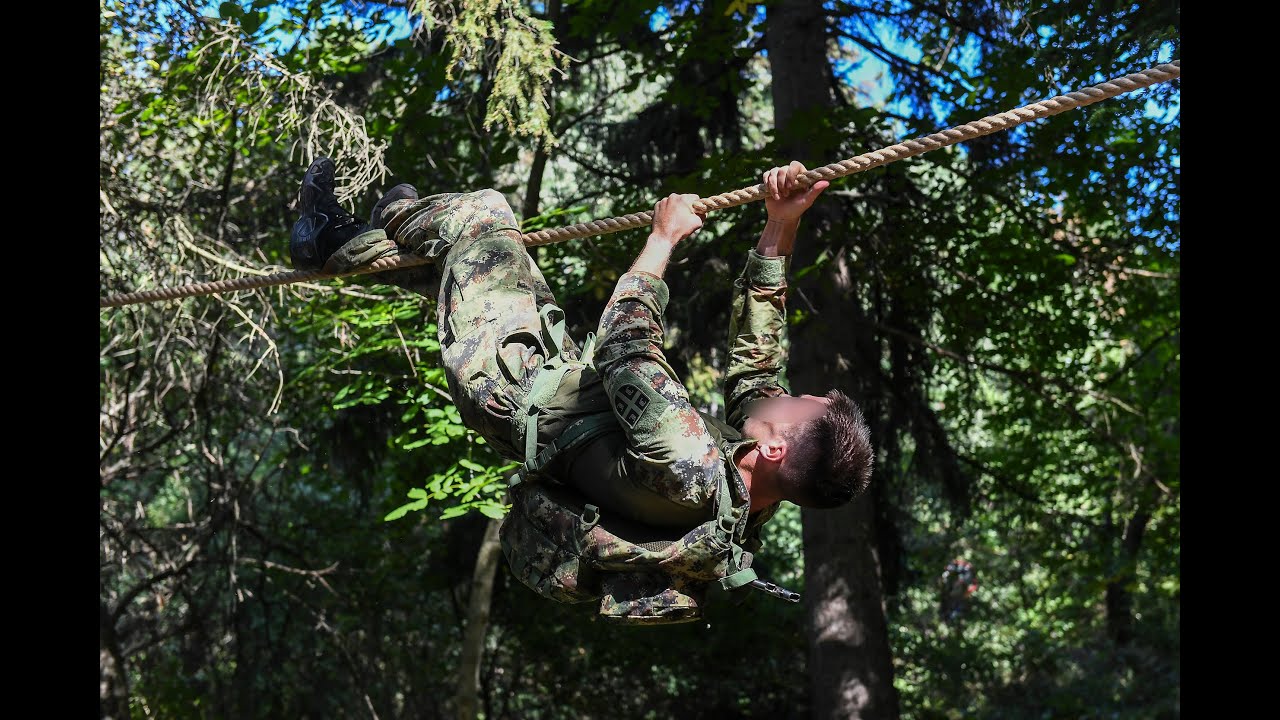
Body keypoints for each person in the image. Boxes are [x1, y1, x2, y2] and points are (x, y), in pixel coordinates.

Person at [290, 157, 874, 617]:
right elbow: (757, 367)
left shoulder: (692, 461)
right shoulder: (746, 497)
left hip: (509, 380)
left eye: (798, 401)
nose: (788, 391)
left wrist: (663, 239)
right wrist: (781, 225)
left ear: (777, 446)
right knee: (461, 266)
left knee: (483, 219)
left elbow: (624, 343)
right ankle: (342, 246)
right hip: (551, 389)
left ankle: (395, 216)